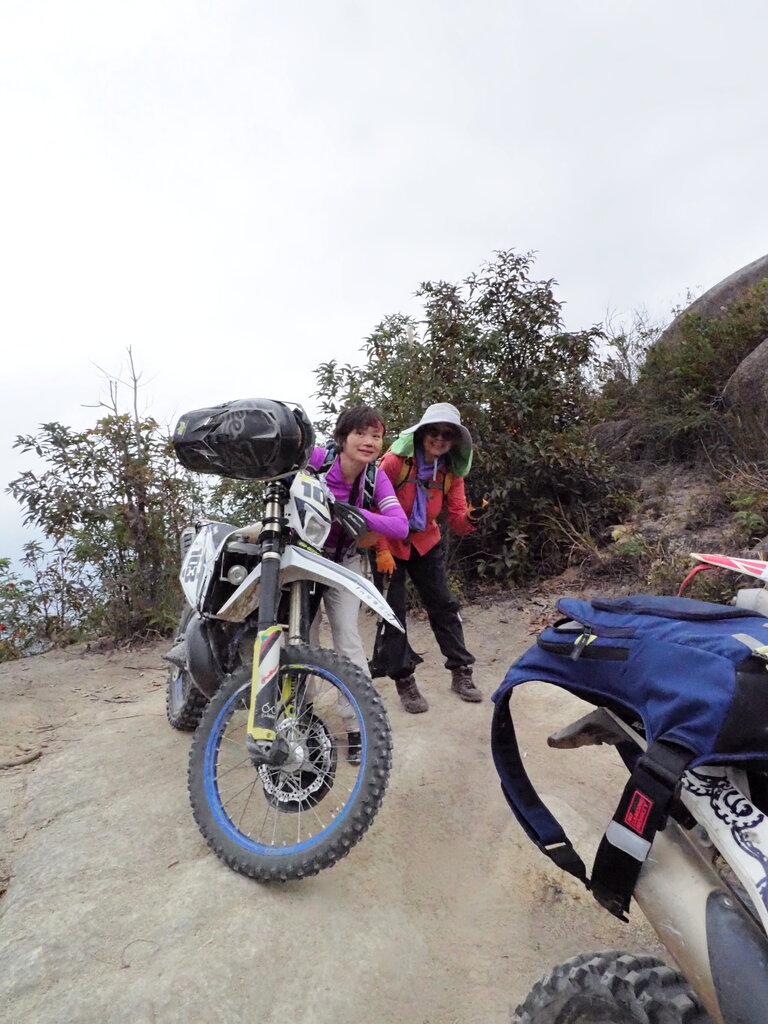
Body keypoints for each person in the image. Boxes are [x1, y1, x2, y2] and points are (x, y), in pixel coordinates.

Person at [307, 405, 409, 756]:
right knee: (302, 637)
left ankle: (356, 724)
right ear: (342, 438)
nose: (368, 441)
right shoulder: (317, 460)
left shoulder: (375, 478)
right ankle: (300, 716)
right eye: (360, 433)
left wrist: (353, 513)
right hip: (303, 558)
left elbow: (399, 525)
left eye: (376, 436)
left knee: (348, 638)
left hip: (343, 561)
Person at [373, 402, 487, 714]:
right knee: (392, 614)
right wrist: (381, 549)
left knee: (444, 605)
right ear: (422, 433)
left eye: (447, 434)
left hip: (425, 542)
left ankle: (461, 671)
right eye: (434, 431)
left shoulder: (450, 472)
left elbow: (458, 520)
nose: (439, 438)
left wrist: (472, 516)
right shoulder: (395, 462)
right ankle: (404, 680)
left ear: (454, 441)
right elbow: (373, 506)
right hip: (389, 544)